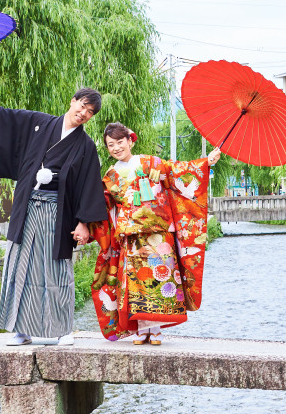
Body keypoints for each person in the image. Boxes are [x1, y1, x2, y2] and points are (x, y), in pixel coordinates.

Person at [0, 89, 108, 346]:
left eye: (90, 113)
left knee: (56, 271)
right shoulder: (39, 123)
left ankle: (63, 330)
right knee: (20, 265)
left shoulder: (86, 146)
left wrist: (83, 222)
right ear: (72, 100)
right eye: (82, 106)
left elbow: (89, 185)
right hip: (28, 207)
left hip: (59, 212)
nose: (83, 114)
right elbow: (5, 118)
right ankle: (21, 330)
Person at [89, 122, 220, 345]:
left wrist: (206, 162)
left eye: (120, 142)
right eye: (111, 145)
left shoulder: (150, 162)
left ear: (130, 140)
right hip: (131, 235)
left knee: (162, 281)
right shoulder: (111, 175)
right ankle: (141, 329)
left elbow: (177, 172)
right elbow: (101, 205)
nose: (116, 148)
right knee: (137, 281)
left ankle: (156, 329)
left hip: (160, 232)